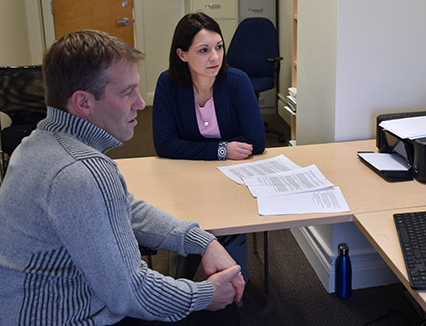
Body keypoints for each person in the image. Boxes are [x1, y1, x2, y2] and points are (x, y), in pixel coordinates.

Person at [0, 30, 244, 326]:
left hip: (32, 308)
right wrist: (206, 295)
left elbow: (127, 210)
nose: (141, 104)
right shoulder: (82, 170)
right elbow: (132, 292)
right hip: (68, 317)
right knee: (223, 314)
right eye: (128, 92)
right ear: (84, 103)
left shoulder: (35, 143)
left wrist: (202, 241)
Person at [152, 13, 266, 289]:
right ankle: (183, 283)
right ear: (182, 54)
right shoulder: (168, 84)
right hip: (185, 177)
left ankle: (237, 287)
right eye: (203, 50)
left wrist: (198, 150)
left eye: (219, 47)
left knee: (230, 230)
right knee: (184, 229)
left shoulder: (236, 81)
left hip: (233, 178)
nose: (215, 57)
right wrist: (222, 149)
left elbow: (256, 141)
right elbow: (164, 144)